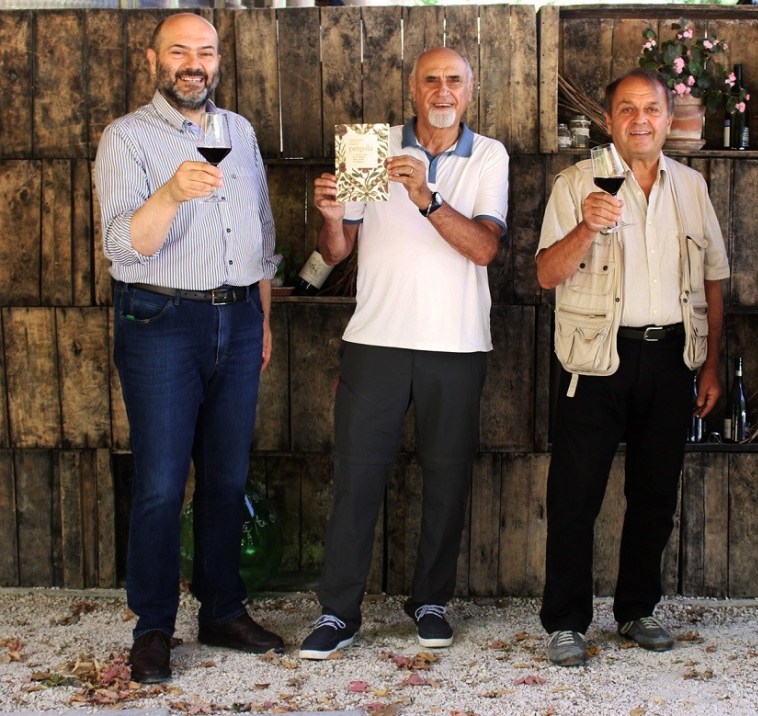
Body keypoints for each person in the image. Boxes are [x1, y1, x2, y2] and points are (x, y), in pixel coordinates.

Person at [297, 47, 509, 658]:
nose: (443, 91)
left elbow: (484, 249)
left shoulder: (488, 154)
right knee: (356, 479)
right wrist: (331, 216)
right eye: (431, 80)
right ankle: (338, 612)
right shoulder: (371, 145)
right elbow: (336, 251)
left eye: (454, 81)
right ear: (413, 89)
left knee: (447, 478)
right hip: (376, 339)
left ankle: (431, 601)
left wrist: (427, 197)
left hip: (456, 343)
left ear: (470, 90)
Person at [94, 13, 283, 684]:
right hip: (161, 321)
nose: (194, 63)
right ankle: (153, 626)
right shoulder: (127, 137)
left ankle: (222, 611)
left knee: (227, 478)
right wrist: (172, 193)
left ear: (218, 60)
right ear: (155, 60)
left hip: (238, 317)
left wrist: (262, 320)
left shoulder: (240, 132)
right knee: (161, 483)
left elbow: (261, 232)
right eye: (180, 51)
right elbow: (124, 246)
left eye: (205, 51)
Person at [535, 68, 729, 667]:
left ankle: (637, 609)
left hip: (671, 357)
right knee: (575, 496)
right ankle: (565, 622)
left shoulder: (691, 187)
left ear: (668, 120)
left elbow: (714, 279)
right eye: (626, 109)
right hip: (595, 358)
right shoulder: (576, 183)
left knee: (655, 495)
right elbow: (546, 274)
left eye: (651, 109)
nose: (639, 119)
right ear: (608, 120)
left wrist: (711, 364)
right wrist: (587, 225)